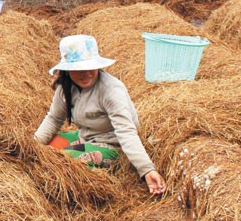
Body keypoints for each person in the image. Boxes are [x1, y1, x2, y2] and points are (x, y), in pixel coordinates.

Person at [33, 35, 167, 195]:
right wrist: (32, 146)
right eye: (78, 70)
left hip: (113, 145)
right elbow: (53, 119)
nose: (86, 74)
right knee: (47, 150)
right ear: (67, 70)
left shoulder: (111, 90)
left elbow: (126, 132)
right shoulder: (66, 88)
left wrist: (147, 170)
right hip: (86, 137)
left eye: (90, 67)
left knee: (66, 160)